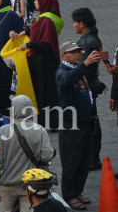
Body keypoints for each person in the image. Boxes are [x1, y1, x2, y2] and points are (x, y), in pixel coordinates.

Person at [55, 42, 100, 210]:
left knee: (83, 161)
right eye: (73, 52)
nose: (77, 54)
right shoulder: (62, 72)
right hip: (71, 125)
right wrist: (85, 64)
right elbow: (68, 79)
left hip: (85, 122)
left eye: (78, 52)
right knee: (71, 162)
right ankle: (68, 195)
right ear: (64, 55)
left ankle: (77, 191)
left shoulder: (78, 70)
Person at [0, 95, 54, 212]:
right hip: (30, 187)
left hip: (7, 185)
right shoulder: (40, 130)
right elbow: (47, 156)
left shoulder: (3, 131)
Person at [70, 7, 105, 170]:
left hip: (87, 87)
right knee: (93, 120)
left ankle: (92, 158)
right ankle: (93, 157)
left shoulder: (87, 42)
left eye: (75, 23)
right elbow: (103, 54)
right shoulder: (92, 38)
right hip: (92, 85)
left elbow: (82, 66)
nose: (73, 26)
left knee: (91, 122)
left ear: (82, 24)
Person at [23, 0, 62, 127]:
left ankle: (49, 122)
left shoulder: (47, 21)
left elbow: (46, 45)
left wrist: (29, 44)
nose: (34, 2)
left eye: (37, 0)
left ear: (44, 1)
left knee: (44, 92)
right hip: (40, 62)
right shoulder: (43, 18)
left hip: (44, 64)